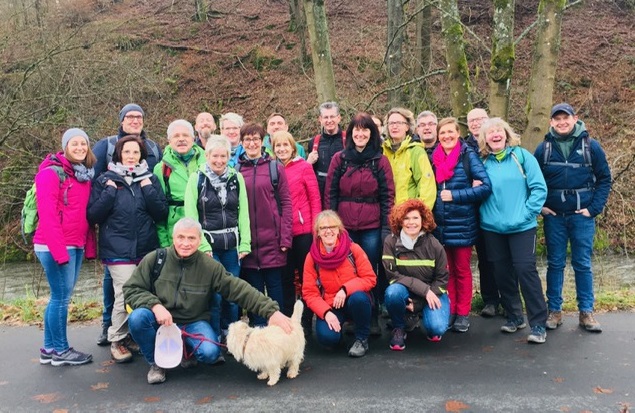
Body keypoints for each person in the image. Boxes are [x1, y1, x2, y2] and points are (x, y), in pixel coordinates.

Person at [124, 218, 293, 384]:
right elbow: (131, 289)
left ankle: (185, 350)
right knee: (137, 318)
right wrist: (155, 305)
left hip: (192, 322)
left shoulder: (209, 266)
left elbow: (238, 288)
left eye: (191, 238)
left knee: (210, 353)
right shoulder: (156, 259)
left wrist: (270, 311)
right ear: (173, 238)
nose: (185, 243)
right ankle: (157, 363)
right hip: (161, 321)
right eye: (181, 237)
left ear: (200, 240)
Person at [88, 136, 168, 363]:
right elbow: (94, 215)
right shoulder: (105, 180)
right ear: (118, 155)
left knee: (144, 293)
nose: (131, 156)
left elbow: (161, 212)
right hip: (117, 249)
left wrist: (148, 188)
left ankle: (134, 335)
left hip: (145, 247)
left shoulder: (150, 178)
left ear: (141, 156)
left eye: (135, 153)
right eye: (127, 152)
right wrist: (110, 193)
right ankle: (117, 339)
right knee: (125, 293)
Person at [534, 103, 612, 333]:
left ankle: (586, 312)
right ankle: (555, 311)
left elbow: (604, 179)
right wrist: (541, 207)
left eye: (565, 118)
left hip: (582, 216)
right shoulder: (543, 149)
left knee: (582, 264)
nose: (561, 122)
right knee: (555, 264)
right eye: (557, 119)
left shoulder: (591, 147)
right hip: (554, 217)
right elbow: (532, 181)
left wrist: (593, 209)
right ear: (551, 122)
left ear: (575, 119)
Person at [478, 118, 549, 344]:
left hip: (522, 227)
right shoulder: (482, 162)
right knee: (501, 272)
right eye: (490, 132)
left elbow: (539, 188)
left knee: (525, 270)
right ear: (485, 139)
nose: (495, 135)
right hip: (492, 228)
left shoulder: (522, 156)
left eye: (499, 130)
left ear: (506, 134)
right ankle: (515, 316)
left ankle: (538, 324)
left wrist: (527, 214)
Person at [324, 113, 395, 335]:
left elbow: (388, 196)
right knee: (346, 271)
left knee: (369, 272)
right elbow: (330, 193)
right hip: (344, 227)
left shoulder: (380, 161)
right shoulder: (340, 159)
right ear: (351, 133)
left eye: (365, 130)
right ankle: (352, 317)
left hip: (371, 227)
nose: (360, 134)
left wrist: (385, 228)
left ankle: (371, 317)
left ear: (372, 134)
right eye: (357, 130)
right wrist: (331, 225)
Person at [35, 128, 97, 366]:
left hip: (76, 243)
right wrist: (60, 252)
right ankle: (61, 350)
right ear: (65, 146)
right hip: (54, 246)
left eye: (84, 143)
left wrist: (87, 247)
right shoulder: (51, 175)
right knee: (61, 298)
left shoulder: (82, 175)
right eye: (74, 143)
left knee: (58, 297)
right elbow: (48, 216)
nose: (80, 147)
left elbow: (84, 217)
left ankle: (49, 348)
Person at [184, 135, 251, 339]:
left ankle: (230, 335)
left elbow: (243, 212)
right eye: (215, 156)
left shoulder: (236, 178)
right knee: (215, 295)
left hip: (232, 244)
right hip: (208, 245)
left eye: (223, 156)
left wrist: (245, 242)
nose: (219, 161)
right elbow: (190, 215)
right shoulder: (196, 178)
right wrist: (201, 245)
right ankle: (214, 336)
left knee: (231, 294)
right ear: (207, 155)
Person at [431, 117, 491, 333]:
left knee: (462, 270)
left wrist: (455, 195)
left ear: (458, 134)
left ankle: (463, 313)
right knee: (446, 272)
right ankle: (451, 311)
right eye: (443, 133)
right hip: (440, 225)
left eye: (450, 132)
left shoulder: (468, 156)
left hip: (463, 223)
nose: (446, 136)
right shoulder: (434, 158)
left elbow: (485, 187)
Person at [237, 123, 293, 326]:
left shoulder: (274, 168)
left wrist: (286, 237)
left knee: (276, 290)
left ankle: (280, 333)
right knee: (254, 293)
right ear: (242, 143)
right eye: (247, 139)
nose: (252, 143)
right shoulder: (235, 170)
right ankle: (259, 336)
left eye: (256, 139)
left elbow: (286, 203)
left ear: (263, 142)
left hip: (273, 241)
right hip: (248, 243)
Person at [302, 210, 377, 357]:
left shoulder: (353, 249)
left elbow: (370, 278)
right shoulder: (312, 257)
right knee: (327, 339)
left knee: (359, 299)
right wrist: (326, 312)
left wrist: (345, 289)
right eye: (323, 228)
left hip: (353, 300)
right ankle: (339, 335)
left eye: (333, 227)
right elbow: (309, 293)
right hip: (330, 305)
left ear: (339, 230)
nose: (328, 231)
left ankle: (361, 338)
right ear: (317, 232)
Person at [383, 199, 450, 350]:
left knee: (437, 328)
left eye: (415, 218)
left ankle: (417, 314)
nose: (411, 222)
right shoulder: (390, 242)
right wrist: (423, 290)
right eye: (406, 218)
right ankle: (399, 327)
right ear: (400, 221)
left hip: (433, 293)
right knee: (392, 292)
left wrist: (421, 301)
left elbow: (442, 279)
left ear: (423, 220)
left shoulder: (434, 244)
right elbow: (392, 276)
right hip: (406, 292)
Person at [271, 131, 321, 331]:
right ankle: (288, 320)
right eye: (278, 146)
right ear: (273, 148)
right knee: (285, 278)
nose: (282, 149)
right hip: (281, 232)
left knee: (306, 276)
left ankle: (307, 320)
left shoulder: (304, 167)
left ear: (293, 147)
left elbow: (315, 198)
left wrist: (315, 228)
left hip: (303, 231)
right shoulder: (272, 168)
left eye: (285, 145)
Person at [464, 108, 499, 318]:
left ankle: (507, 297)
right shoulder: (463, 147)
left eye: (480, 119)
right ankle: (490, 300)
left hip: (494, 209)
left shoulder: (496, 144)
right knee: (483, 258)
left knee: (497, 257)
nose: (476, 123)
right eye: (472, 120)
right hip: (469, 211)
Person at [154, 120, 207, 247]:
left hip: (206, 230)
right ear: (169, 140)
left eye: (185, 135)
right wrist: (165, 243)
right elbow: (159, 209)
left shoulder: (208, 162)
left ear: (193, 138)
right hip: (177, 234)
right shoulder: (161, 169)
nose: (181, 139)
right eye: (176, 136)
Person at [382, 107, 436, 209]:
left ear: (407, 127)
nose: (394, 126)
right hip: (386, 213)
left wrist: (421, 213)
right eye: (391, 123)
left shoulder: (416, 151)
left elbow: (427, 186)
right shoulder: (382, 150)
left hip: (408, 214)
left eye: (399, 123)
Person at [307, 102, 346, 202]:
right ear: (320, 119)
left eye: (332, 116)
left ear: (339, 118)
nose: (329, 120)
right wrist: (308, 163)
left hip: (343, 193)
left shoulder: (349, 140)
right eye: (326, 117)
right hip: (321, 194)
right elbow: (309, 174)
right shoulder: (314, 143)